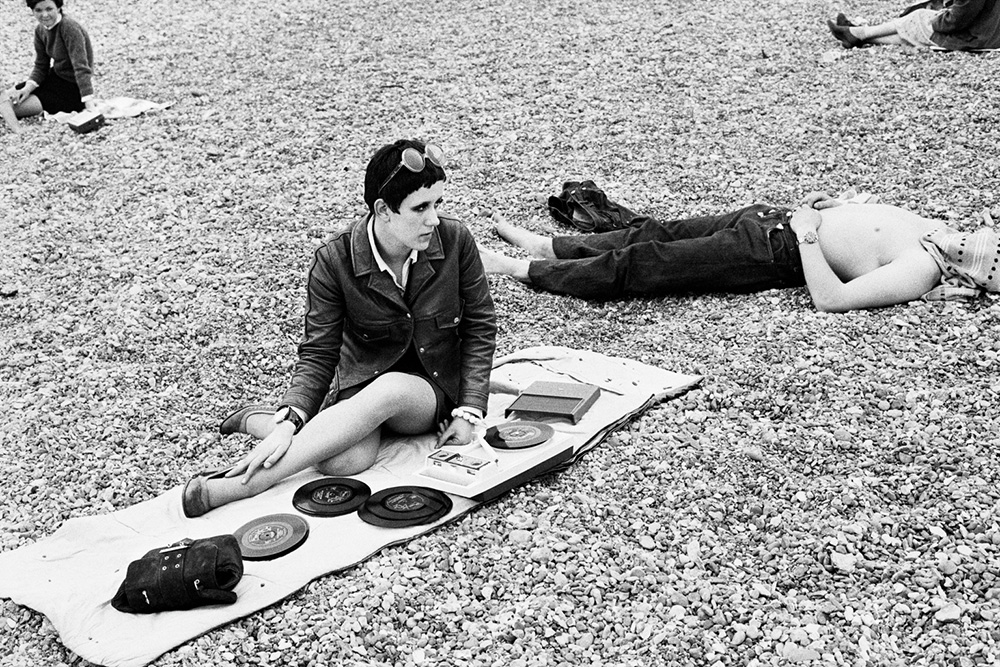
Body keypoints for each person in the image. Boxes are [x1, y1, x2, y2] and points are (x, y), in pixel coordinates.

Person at [182, 139, 497, 518]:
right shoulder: (334, 260)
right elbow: (319, 352)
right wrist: (293, 415)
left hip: (430, 392)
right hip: (363, 383)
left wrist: (468, 411)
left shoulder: (456, 239)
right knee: (341, 463)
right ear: (383, 210)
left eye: (437, 204)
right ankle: (268, 422)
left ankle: (245, 484)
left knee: (392, 388)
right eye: (421, 208)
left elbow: (480, 326)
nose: (434, 219)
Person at [478, 183, 1000, 313]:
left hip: (776, 252)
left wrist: (810, 231)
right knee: (655, 233)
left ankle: (523, 269)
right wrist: (833, 205)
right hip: (771, 219)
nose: (974, 237)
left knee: (649, 265)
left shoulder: (921, 270)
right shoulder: (932, 230)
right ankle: (551, 245)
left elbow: (831, 299)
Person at [1, 0, 97, 134]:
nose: (44, 15)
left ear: (58, 8)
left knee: (7, 107)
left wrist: (88, 103)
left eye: (49, 9)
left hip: (72, 90)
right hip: (53, 78)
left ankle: (18, 130)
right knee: (4, 97)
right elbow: (41, 65)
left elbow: (81, 67)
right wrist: (28, 88)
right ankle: (17, 126)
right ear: (32, 11)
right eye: (38, 10)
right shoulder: (40, 30)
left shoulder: (69, 27)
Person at [827, 0, 1000, 50]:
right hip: (985, 32)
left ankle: (859, 33)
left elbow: (956, 21)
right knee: (913, 27)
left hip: (977, 37)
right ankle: (857, 34)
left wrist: (936, 20)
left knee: (917, 17)